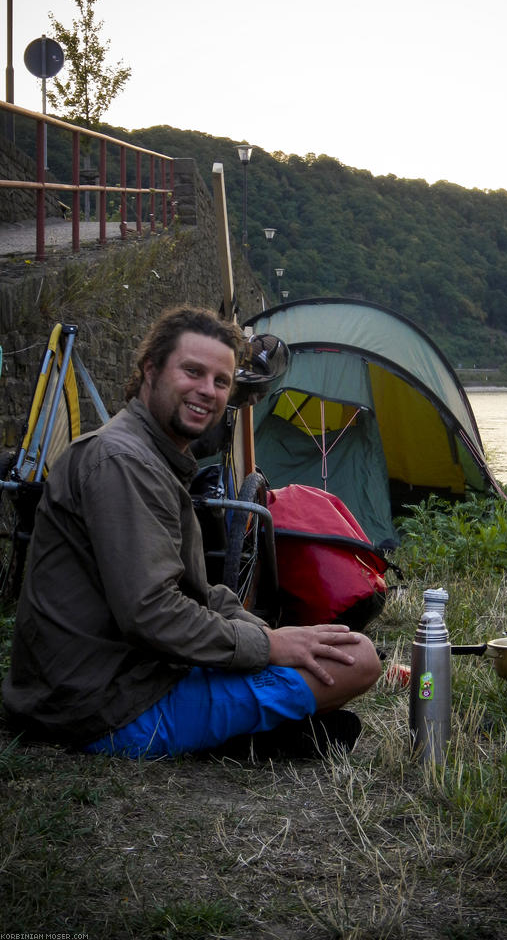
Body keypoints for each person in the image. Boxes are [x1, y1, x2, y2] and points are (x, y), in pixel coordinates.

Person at [2, 305, 381, 759]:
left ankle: (259, 727)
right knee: (357, 663)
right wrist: (268, 645)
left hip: (129, 675)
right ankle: (245, 733)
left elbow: (195, 590)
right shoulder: (123, 463)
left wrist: (271, 634)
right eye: (192, 372)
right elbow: (153, 614)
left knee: (337, 650)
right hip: (103, 704)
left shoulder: (151, 455)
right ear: (150, 370)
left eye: (221, 382)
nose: (208, 391)